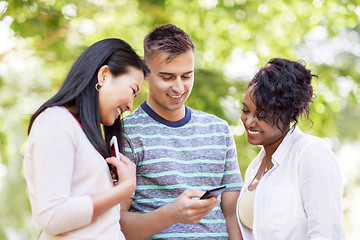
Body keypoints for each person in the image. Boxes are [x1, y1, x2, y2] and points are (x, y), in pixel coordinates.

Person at [119, 24, 243, 239]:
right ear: (145, 74)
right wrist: (172, 214)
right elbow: (117, 224)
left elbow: (232, 214)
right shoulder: (127, 133)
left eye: (186, 76)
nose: (178, 88)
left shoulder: (219, 130)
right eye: (167, 77)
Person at [24, 38, 148, 239]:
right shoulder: (55, 121)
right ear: (104, 75)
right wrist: (124, 189)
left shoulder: (85, 135)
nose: (130, 106)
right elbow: (52, 217)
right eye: (133, 90)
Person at [236, 58, 345, 239]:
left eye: (261, 115)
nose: (248, 121)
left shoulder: (310, 154)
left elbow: (326, 233)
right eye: (246, 110)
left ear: (286, 114)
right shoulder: (254, 169)